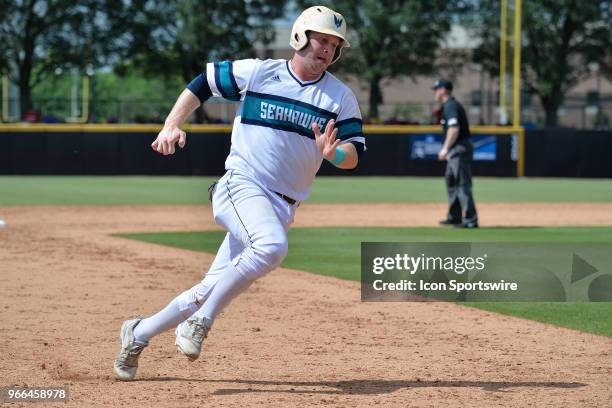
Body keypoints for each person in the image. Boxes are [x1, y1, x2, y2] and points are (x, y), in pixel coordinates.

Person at [113, 6, 365, 381]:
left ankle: (139, 332)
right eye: (321, 39)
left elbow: (353, 156)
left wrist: (334, 153)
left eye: (334, 44)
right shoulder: (261, 73)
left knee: (208, 288)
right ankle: (201, 322)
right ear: (300, 37)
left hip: (281, 206)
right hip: (241, 185)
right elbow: (204, 82)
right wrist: (171, 124)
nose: (327, 49)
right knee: (271, 247)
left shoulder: (339, 97)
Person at [432, 79, 478, 228]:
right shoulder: (448, 106)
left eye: (437, 89)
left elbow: (454, 129)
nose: (435, 92)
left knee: (462, 184)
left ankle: (470, 220)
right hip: (456, 149)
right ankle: (455, 216)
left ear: (444, 90)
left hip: (460, 149)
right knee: (451, 181)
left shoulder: (451, 106)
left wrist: (445, 148)